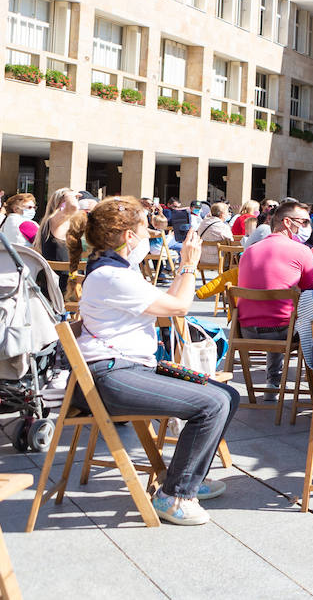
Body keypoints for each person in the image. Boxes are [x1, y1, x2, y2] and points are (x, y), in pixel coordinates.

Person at [74, 196, 238, 525]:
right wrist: (189, 265)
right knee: (212, 405)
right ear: (127, 237)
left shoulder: (119, 270)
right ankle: (174, 495)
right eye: (144, 229)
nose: (150, 234)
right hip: (109, 375)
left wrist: (183, 269)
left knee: (227, 396)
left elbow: (169, 300)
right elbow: (179, 306)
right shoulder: (111, 276)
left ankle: (189, 479)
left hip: (129, 367)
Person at [235, 200, 313, 388]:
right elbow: (308, 293)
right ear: (287, 222)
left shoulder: (249, 251)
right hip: (282, 332)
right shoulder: (302, 251)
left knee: (279, 313)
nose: (307, 227)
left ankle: (273, 382)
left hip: (245, 330)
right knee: (311, 319)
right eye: (303, 222)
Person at [195, 202, 235, 268]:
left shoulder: (202, 224)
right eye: (227, 212)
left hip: (202, 258)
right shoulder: (223, 227)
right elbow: (231, 241)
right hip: (220, 260)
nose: (228, 214)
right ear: (222, 214)